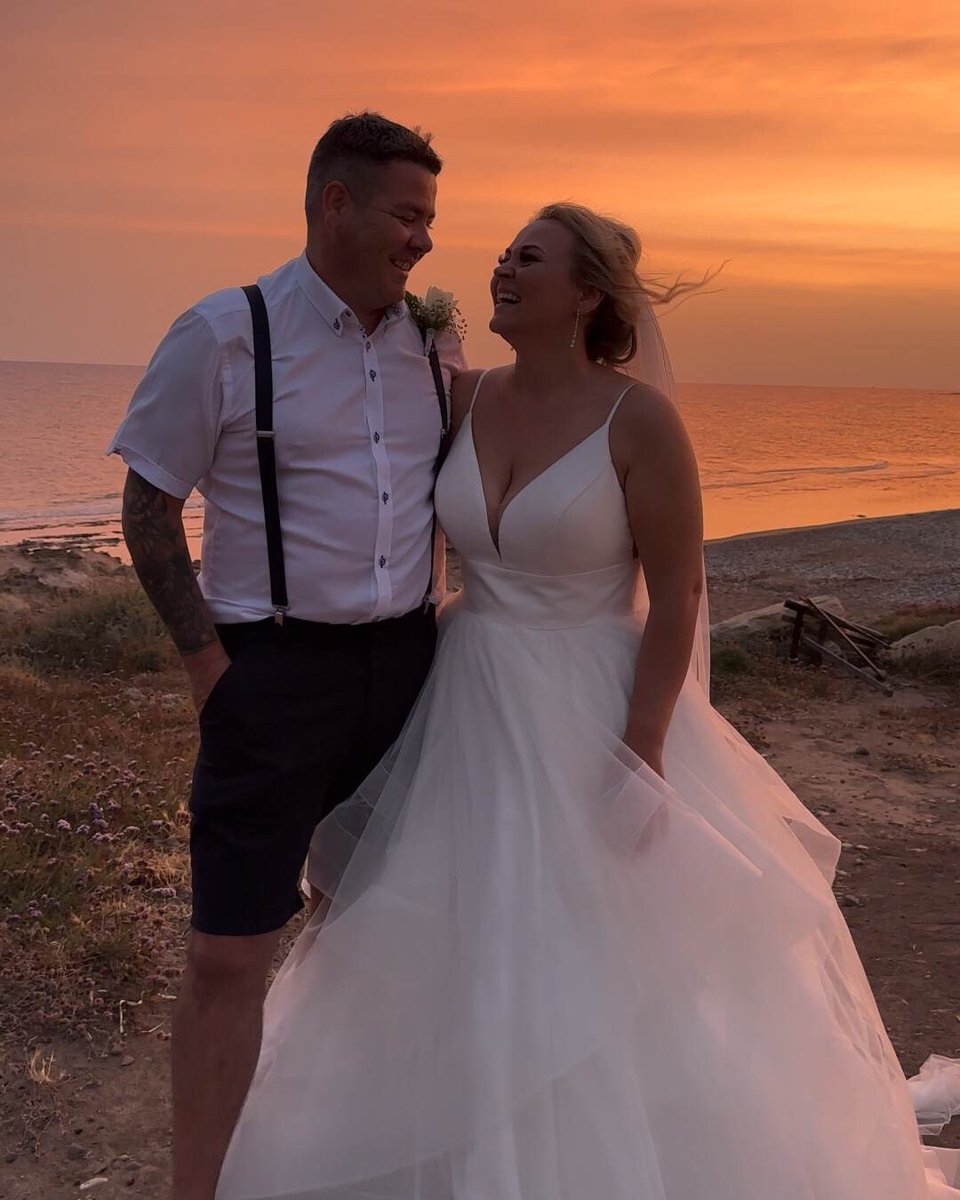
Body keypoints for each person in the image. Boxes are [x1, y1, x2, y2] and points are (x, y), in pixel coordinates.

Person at [215, 204, 960, 1199]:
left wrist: (641, 750)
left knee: (593, 957)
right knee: (443, 938)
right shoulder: (462, 397)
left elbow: (680, 594)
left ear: (589, 293)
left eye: (531, 257)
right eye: (504, 253)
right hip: (463, 694)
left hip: (588, 707)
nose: (503, 267)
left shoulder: (638, 419)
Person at [108, 112, 465, 1200]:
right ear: (335, 204)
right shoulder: (224, 332)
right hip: (271, 679)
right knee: (229, 954)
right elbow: (147, 508)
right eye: (409, 216)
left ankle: (365, 1159)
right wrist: (213, 671)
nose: (424, 242)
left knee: (383, 932)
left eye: (431, 221)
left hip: (408, 677)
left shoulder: (434, 347)